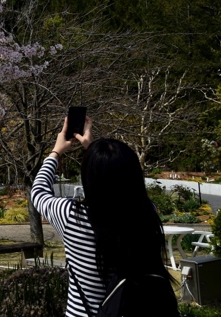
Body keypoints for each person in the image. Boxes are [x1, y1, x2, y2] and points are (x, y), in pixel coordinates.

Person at [31, 116, 179, 317]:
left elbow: (38, 192)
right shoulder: (146, 212)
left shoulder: (72, 216)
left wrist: (56, 152)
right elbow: (121, 181)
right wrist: (96, 151)